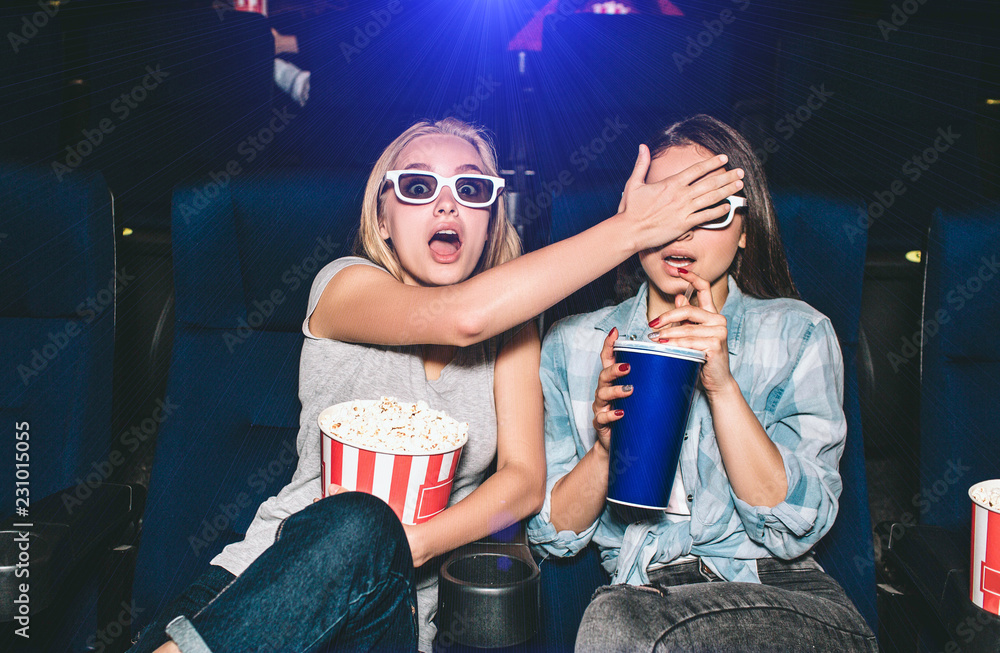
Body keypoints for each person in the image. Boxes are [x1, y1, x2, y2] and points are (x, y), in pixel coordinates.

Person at [130, 116, 745, 653]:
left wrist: (414, 545)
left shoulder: (514, 333)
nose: (446, 205)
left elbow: (524, 484)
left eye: (471, 189)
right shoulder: (341, 287)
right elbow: (461, 318)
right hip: (249, 591)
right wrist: (631, 230)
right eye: (419, 186)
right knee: (356, 522)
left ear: (489, 216)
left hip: (389, 618)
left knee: (369, 527)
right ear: (384, 216)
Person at [527, 114, 878, 652]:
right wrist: (603, 451)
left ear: (744, 232)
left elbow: (796, 528)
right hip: (641, 598)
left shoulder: (798, 332)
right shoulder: (572, 345)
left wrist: (722, 387)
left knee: (613, 624)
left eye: (710, 209)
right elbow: (554, 537)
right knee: (616, 618)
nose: (682, 230)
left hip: (784, 597)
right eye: (666, 209)